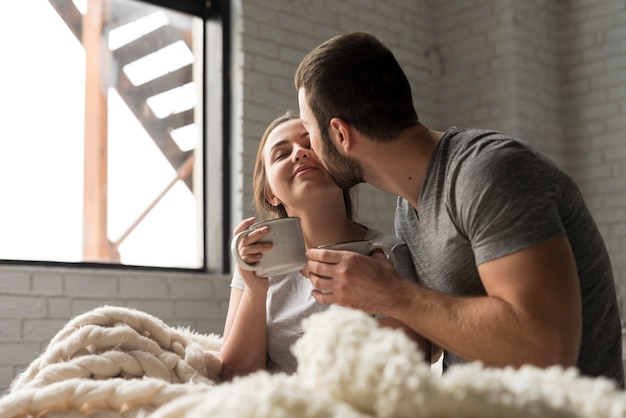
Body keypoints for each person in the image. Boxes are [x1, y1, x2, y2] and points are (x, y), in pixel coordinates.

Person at [294, 31, 624, 387]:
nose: (308, 146)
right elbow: (441, 333)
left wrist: (392, 294)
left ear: (341, 135)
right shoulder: (407, 212)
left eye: (308, 130)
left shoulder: (488, 172)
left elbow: (546, 349)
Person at [220, 112, 429, 381]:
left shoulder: (387, 254)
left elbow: (410, 369)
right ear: (271, 194)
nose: (299, 153)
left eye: (309, 144)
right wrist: (254, 290)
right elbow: (232, 378)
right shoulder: (256, 262)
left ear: (337, 162)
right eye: (281, 154)